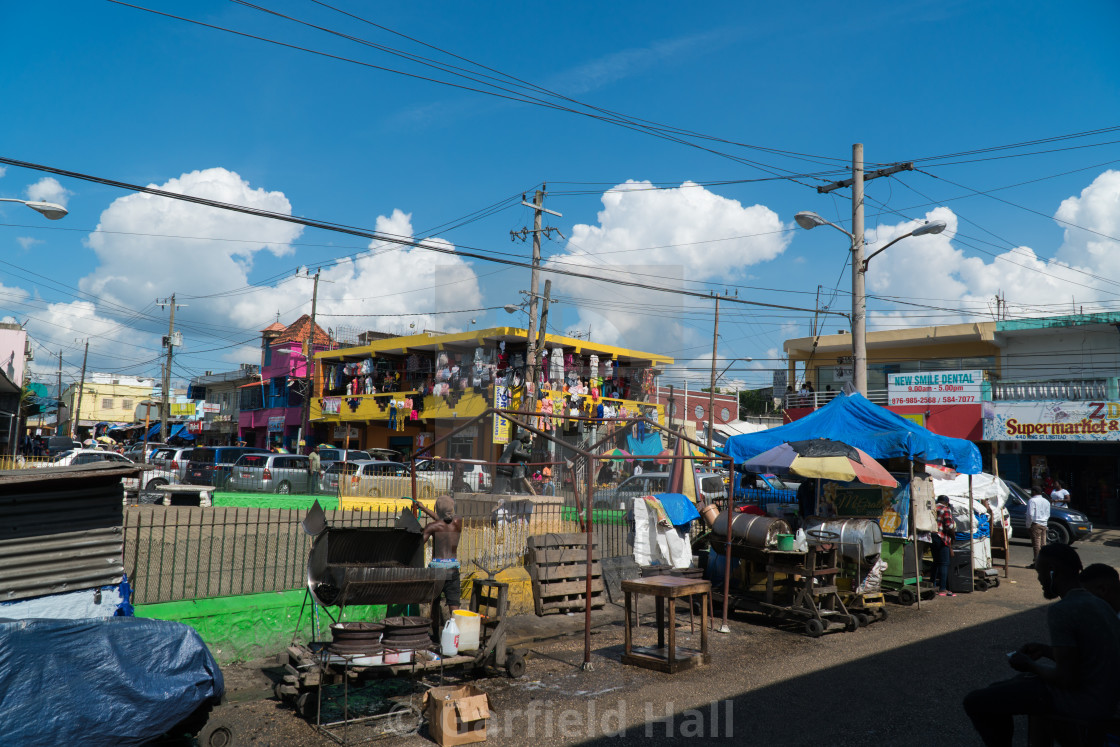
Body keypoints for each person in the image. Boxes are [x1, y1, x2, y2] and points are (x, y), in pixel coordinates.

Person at [963, 544, 1120, 746]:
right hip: (1103, 696)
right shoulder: (1099, 604)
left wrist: (1030, 664)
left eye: (1040, 572)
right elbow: (1090, 655)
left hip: (1085, 701)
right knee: (1008, 687)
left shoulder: (1063, 610)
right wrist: (1046, 652)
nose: (1038, 580)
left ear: (1053, 571)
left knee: (976, 702)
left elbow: (1066, 678)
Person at [415, 493, 463, 612]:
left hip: (437, 570)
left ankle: (435, 631)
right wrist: (423, 508)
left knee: (435, 603)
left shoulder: (432, 527)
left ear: (438, 509)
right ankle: (455, 628)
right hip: (452, 568)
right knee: (454, 604)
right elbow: (443, 520)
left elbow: (419, 543)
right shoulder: (458, 522)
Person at [932, 495, 956, 597]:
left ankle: (932, 585)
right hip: (941, 538)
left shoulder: (933, 508)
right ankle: (942, 588)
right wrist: (953, 536)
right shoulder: (945, 509)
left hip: (931, 537)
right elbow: (949, 526)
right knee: (944, 563)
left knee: (936, 562)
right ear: (946, 502)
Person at [1028, 484, 1051, 569]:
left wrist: (1028, 525)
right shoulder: (1046, 501)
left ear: (1034, 492)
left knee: (1036, 545)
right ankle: (1044, 562)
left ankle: (1037, 563)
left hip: (1035, 524)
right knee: (1043, 544)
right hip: (1044, 524)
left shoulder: (1032, 501)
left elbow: (1030, 514)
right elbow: (1048, 514)